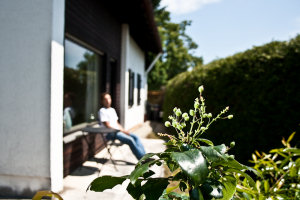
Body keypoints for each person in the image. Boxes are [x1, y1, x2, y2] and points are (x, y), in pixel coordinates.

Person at [98, 92, 146, 160]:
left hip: (118, 131)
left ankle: (145, 156)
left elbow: (117, 123)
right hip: (110, 133)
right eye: (105, 99)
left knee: (136, 137)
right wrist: (120, 130)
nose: (108, 100)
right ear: (102, 101)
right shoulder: (102, 111)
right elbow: (108, 125)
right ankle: (142, 159)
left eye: (109, 98)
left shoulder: (112, 110)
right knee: (130, 140)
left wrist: (124, 131)